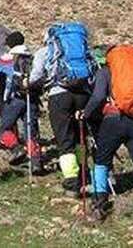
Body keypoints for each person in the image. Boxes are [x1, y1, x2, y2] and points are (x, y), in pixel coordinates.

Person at [80, 44, 133, 225]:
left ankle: (99, 203)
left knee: (101, 160)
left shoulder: (106, 72)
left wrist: (85, 113)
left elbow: (98, 97)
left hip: (113, 121)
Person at [29, 23, 94, 198]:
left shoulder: (44, 52)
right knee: (81, 136)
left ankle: (72, 180)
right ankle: (84, 172)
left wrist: (31, 85)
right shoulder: (82, 50)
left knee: (65, 139)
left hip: (59, 96)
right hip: (83, 95)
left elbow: (35, 77)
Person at [0, 44, 44, 172]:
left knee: (3, 129)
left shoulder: (12, 63)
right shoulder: (34, 63)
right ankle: (36, 161)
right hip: (33, 99)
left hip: (16, 99)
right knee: (31, 131)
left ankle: (16, 149)